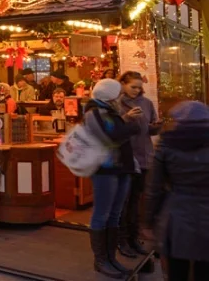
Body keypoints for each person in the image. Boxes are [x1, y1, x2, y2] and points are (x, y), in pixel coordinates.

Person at [144, 100, 209, 280]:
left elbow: (153, 188)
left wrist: (148, 221)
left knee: (176, 270)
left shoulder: (166, 145)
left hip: (177, 215)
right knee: (205, 268)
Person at [84, 78, 141, 278]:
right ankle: (101, 261)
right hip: (104, 169)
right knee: (102, 213)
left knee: (115, 213)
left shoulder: (112, 111)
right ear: (109, 95)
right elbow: (108, 137)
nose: (121, 95)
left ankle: (111, 258)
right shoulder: (93, 112)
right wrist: (131, 127)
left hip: (121, 167)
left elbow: (116, 133)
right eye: (118, 92)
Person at [116, 71, 160, 258]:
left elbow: (148, 130)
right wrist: (125, 118)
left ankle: (134, 238)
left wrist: (156, 126)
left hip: (144, 157)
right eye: (132, 86)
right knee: (123, 202)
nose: (136, 90)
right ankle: (122, 240)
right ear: (123, 84)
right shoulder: (116, 104)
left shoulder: (147, 103)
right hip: (125, 158)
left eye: (139, 87)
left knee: (136, 201)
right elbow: (111, 131)